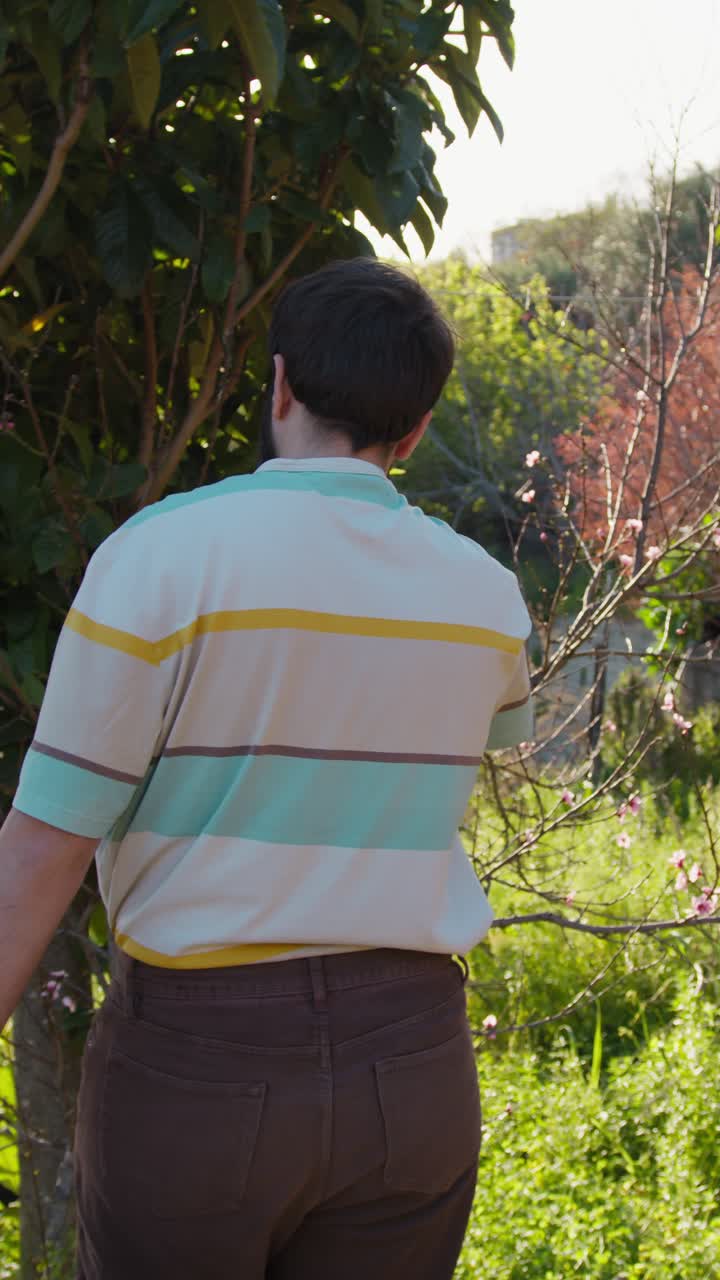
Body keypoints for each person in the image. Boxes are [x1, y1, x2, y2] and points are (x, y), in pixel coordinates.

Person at [0, 258, 532, 1279]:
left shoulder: (158, 555)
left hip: (197, 1071)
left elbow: (44, 845)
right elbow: (493, 732)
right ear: (416, 428)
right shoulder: (484, 592)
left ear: (279, 383)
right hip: (413, 1071)